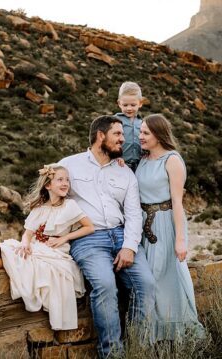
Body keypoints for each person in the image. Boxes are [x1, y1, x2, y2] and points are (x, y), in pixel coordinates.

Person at [58, 115, 155, 358]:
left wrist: (130, 247)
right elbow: (49, 192)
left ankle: (137, 350)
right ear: (101, 136)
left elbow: (134, 214)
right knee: (105, 285)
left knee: (146, 285)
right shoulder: (69, 165)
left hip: (122, 236)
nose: (124, 139)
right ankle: (112, 354)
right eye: (118, 135)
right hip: (88, 240)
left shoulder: (125, 173)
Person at [0, 164, 94, 330]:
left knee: (15, 254)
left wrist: (65, 237)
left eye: (67, 180)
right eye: (60, 180)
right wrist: (25, 243)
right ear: (48, 185)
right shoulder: (40, 208)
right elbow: (27, 234)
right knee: (17, 248)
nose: (65, 183)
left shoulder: (70, 206)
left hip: (56, 251)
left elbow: (89, 227)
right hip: (36, 246)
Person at [135, 114, 205, 341]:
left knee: (169, 278)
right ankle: (154, 338)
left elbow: (177, 202)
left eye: (146, 132)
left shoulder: (172, 160)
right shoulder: (143, 159)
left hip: (165, 225)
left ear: (159, 134)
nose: (141, 136)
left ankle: (183, 337)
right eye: (140, 131)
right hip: (144, 227)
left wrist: (181, 239)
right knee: (150, 281)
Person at [114, 82, 144, 171]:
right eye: (125, 105)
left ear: (140, 103)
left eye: (133, 105)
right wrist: (116, 156)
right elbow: (109, 142)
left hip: (139, 166)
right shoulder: (114, 120)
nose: (129, 108)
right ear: (119, 103)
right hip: (119, 164)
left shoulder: (142, 122)